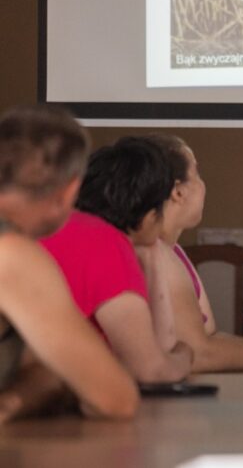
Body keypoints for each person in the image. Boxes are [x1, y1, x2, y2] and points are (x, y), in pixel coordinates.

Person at [0, 105, 138, 422]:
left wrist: (20, 398)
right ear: (70, 190)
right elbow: (115, 398)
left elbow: (41, 367)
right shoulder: (12, 255)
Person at [143, 134, 243, 372]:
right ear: (178, 192)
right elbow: (198, 353)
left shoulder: (176, 252)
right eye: (197, 174)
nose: (202, 184)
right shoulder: (155, 253)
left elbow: (209, 337)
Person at [43, 137, 193, 383]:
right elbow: (151, 370)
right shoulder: (106, 245)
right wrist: (185, 355)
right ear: (149, 215)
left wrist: (152, 254)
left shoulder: (64, 228)